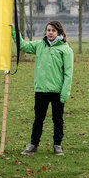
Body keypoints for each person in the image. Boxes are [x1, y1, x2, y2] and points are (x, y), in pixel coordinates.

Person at [14, 21, 74, 156]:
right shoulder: (39, 45)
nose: (50, 33)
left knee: (57, 119)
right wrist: (14, 31)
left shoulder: (65, 49)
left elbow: (68, 73)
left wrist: (65, 92)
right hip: (41, 90)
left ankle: (57, 145)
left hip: (57, 91)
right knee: (38, 119)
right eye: (48, 30)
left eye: (53, 30)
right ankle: (33, 145)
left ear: (59, 32)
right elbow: (22, 45)